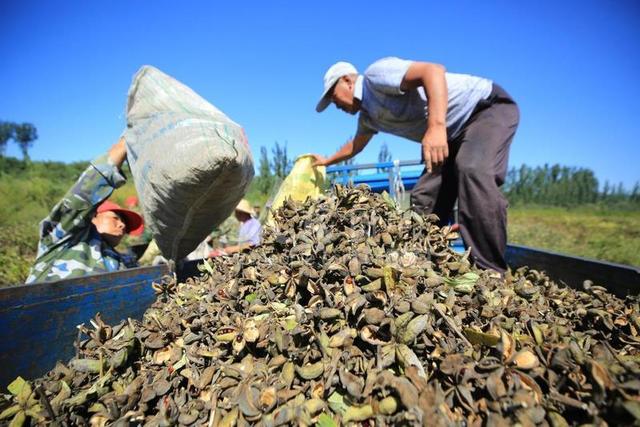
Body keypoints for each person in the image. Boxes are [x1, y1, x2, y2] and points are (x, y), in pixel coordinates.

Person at [311, 58, 519, 273]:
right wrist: (326, 161)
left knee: (472, 169)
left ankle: (491, 273)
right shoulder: (368, 117)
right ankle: (424, 268)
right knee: (425, 196)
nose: (336, 106)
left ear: (347, 81)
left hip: (483, 108)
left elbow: (433, 71)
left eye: (334, 98)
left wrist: (436, 126)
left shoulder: (375, 76)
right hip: (450, 135)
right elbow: (355, 146)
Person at [26, 138, 144, 283]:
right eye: (115, 218)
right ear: (92, 217)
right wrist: (125, 143)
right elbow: (83, 195)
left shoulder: (122, 262)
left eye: (124, 223)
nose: (122, 225)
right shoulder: (64, 238)